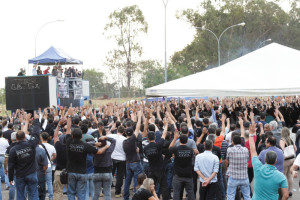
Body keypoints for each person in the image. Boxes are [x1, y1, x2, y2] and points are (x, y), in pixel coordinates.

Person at [63, 107, 111, 200]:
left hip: (71, 172)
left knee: (71, 193)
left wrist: (69, 116)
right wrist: (106, 146)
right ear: (81, 136)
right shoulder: (85, 145)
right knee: (81, 194)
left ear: (72, 136)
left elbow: (68, 129)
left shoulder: (69, 141)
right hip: (82, 173)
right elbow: (100, 151)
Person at [248, 123, 289, 200]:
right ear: (275, 161)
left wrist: (251, 134)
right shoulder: (281, 177)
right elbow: (286, 195)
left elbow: (253, 151)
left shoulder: (258, 168)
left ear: (265, 159)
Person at [8, 113, 41, 200]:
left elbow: (10, 166)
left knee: (20, 195)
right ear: (25, 137)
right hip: (31, 173)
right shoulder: (31, 144)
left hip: (20, 176)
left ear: (16, 138)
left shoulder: (13, 150)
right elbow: (36, 134)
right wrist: (36, 121)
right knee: (34, 194)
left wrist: (10, 178)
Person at [143, 118, 169, 200]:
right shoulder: (158, 145)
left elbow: (148, 155)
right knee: (164, 186)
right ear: (155, 137)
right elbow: (164, 134)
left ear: (147, 138)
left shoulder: (146, 148)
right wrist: (166, 124)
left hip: (151, 169)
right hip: (160, 169)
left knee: (151, 187)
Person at [123, 110, 143, 200]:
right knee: (136, 181)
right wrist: (139, 118)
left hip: (128, 163)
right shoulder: (132, 140)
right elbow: (138, 128)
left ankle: (125, 197)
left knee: (127, 181)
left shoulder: (124, 142)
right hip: (135, 162)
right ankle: (136, 197)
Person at [169, 131, 195, 200]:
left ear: (179, 140)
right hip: (188, 174)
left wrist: (174, 138)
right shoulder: (190, 150)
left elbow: (170, 147)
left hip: (178, 174)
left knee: (176, 192)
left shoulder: (176, 149)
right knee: (190, 192)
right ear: (187, 141)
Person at [225, 135, 251, 200]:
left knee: (230, 196)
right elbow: (247, 160)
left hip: (233, 176)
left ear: (233, 141)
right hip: (244, 176)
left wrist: (226, 170)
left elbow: (227, 161)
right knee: (247, 196)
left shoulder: (229, 150)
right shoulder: (245, 150)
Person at [93, 136, 116, 200]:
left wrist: (94, 144)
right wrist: (106, 137)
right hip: (107, 172)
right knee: (107, 193)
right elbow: (114, 141)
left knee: (96, 193)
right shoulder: (109, 150)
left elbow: (87, 144)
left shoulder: (95, 150)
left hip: (97, 172)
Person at [107, 125, 127, 198]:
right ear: (124, 132)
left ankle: (105, 191)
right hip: (121, 159)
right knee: (120, 176)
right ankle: (117, 192)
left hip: (111, 157)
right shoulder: (125, 139)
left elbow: (106, 140)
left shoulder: (111, 136)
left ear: (117, 130)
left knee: (109, 174)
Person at [280, 127, 297, 196]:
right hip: (292, 159)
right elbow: (295, 149)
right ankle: (290, 191)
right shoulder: (290, 139)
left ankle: (285, 191)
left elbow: (282, 150)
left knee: (284, 175)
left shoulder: (282, 140)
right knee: (289, 175)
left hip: (286, 160)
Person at [39, 132, 56, 200]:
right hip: (49, 166)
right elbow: (54, 155)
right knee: (49, 182)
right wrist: (50, 160)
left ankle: (41, 195)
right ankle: (51, 197)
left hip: (41, 166)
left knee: (41, 182)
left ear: (41, 138)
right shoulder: (52, 146)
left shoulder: (39, 146)